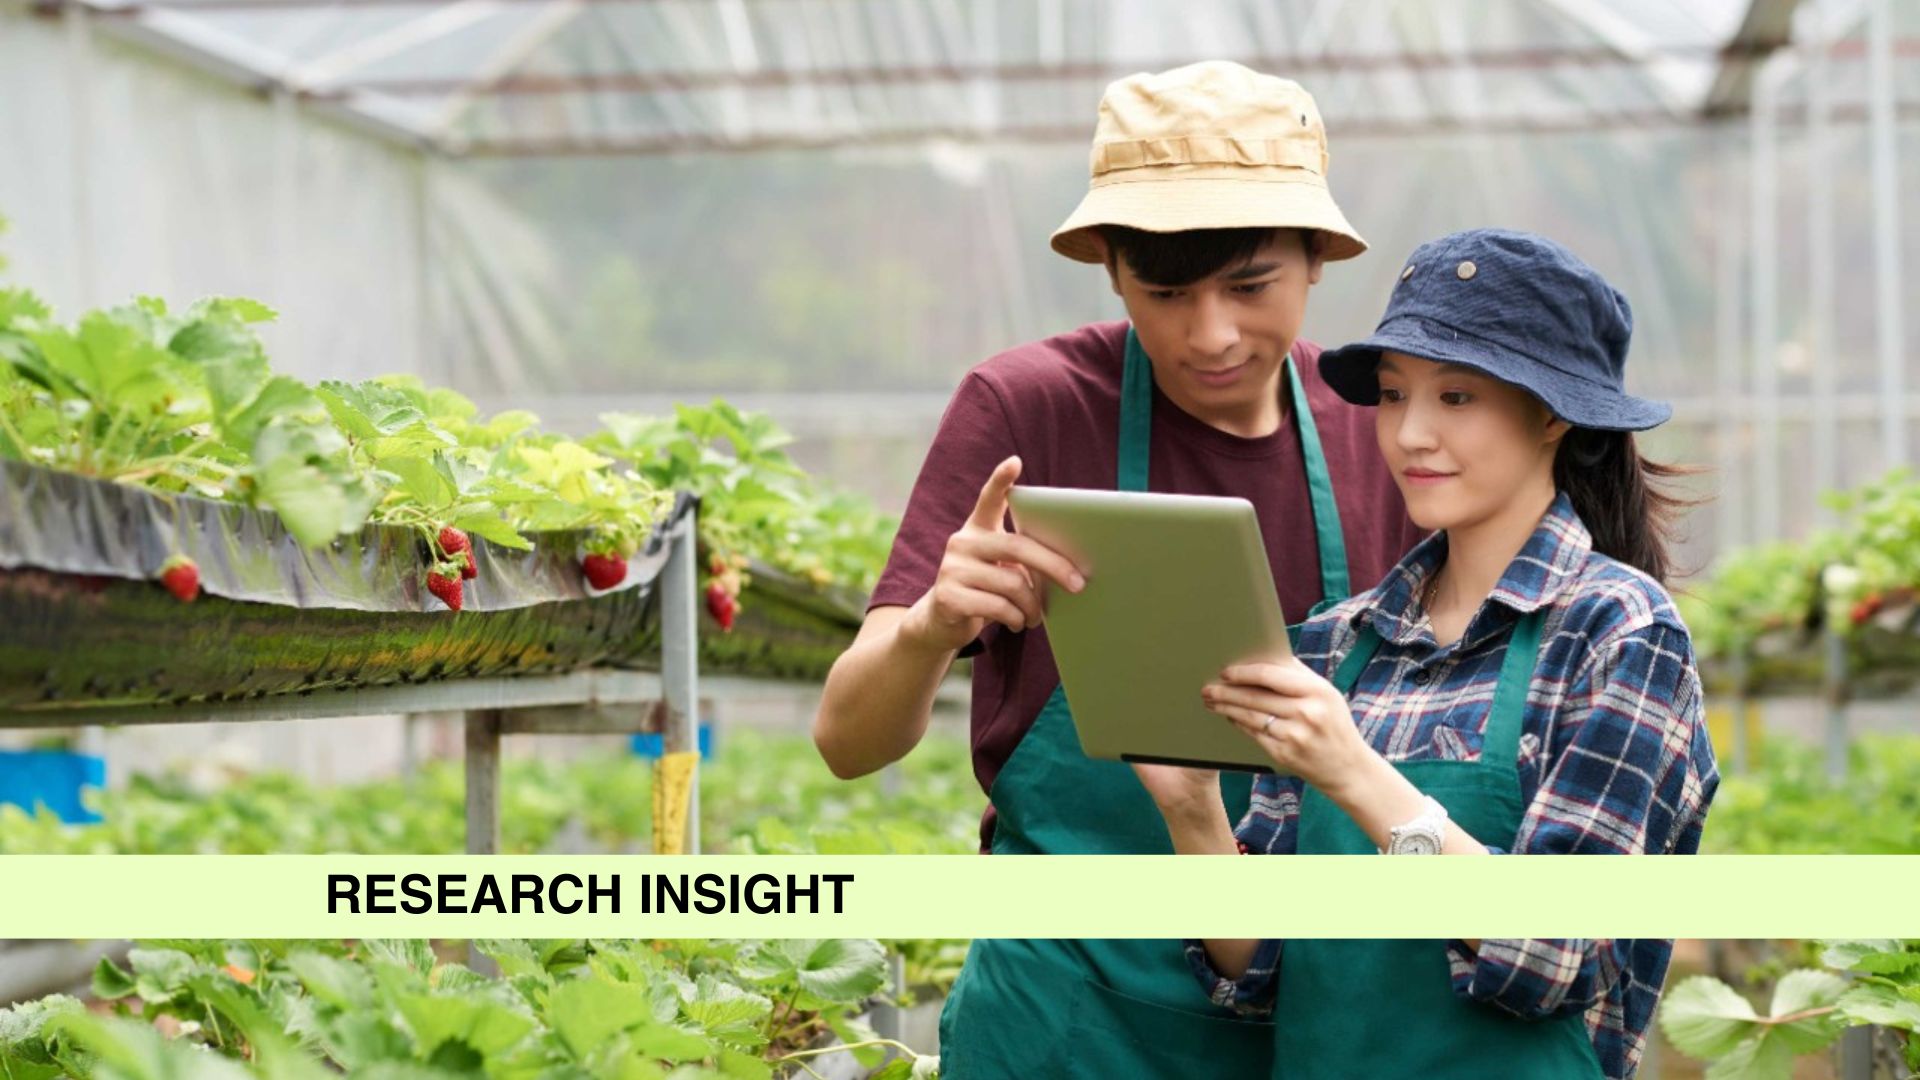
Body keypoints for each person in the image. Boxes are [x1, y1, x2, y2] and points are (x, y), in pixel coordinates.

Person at [812, 61, 1426, 1077]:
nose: (1212, 334)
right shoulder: (1032, 407)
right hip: (1064, 1007)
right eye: (1167, 292)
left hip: (1322, 996)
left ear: (1319, 258)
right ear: (1110, 271)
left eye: (1250, 286)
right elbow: (847, 742)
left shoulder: (1384, 426)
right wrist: (929, 629)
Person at [1133, 228, 1721, 1080]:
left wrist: (1353, 774)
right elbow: (1257, 972)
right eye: (1392, 395)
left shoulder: (1619, 633)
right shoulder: (1340, 642)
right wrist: (1194, 813)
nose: (1410, 434)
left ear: (1553, 412)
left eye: (1455, 398)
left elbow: (1553, 949)